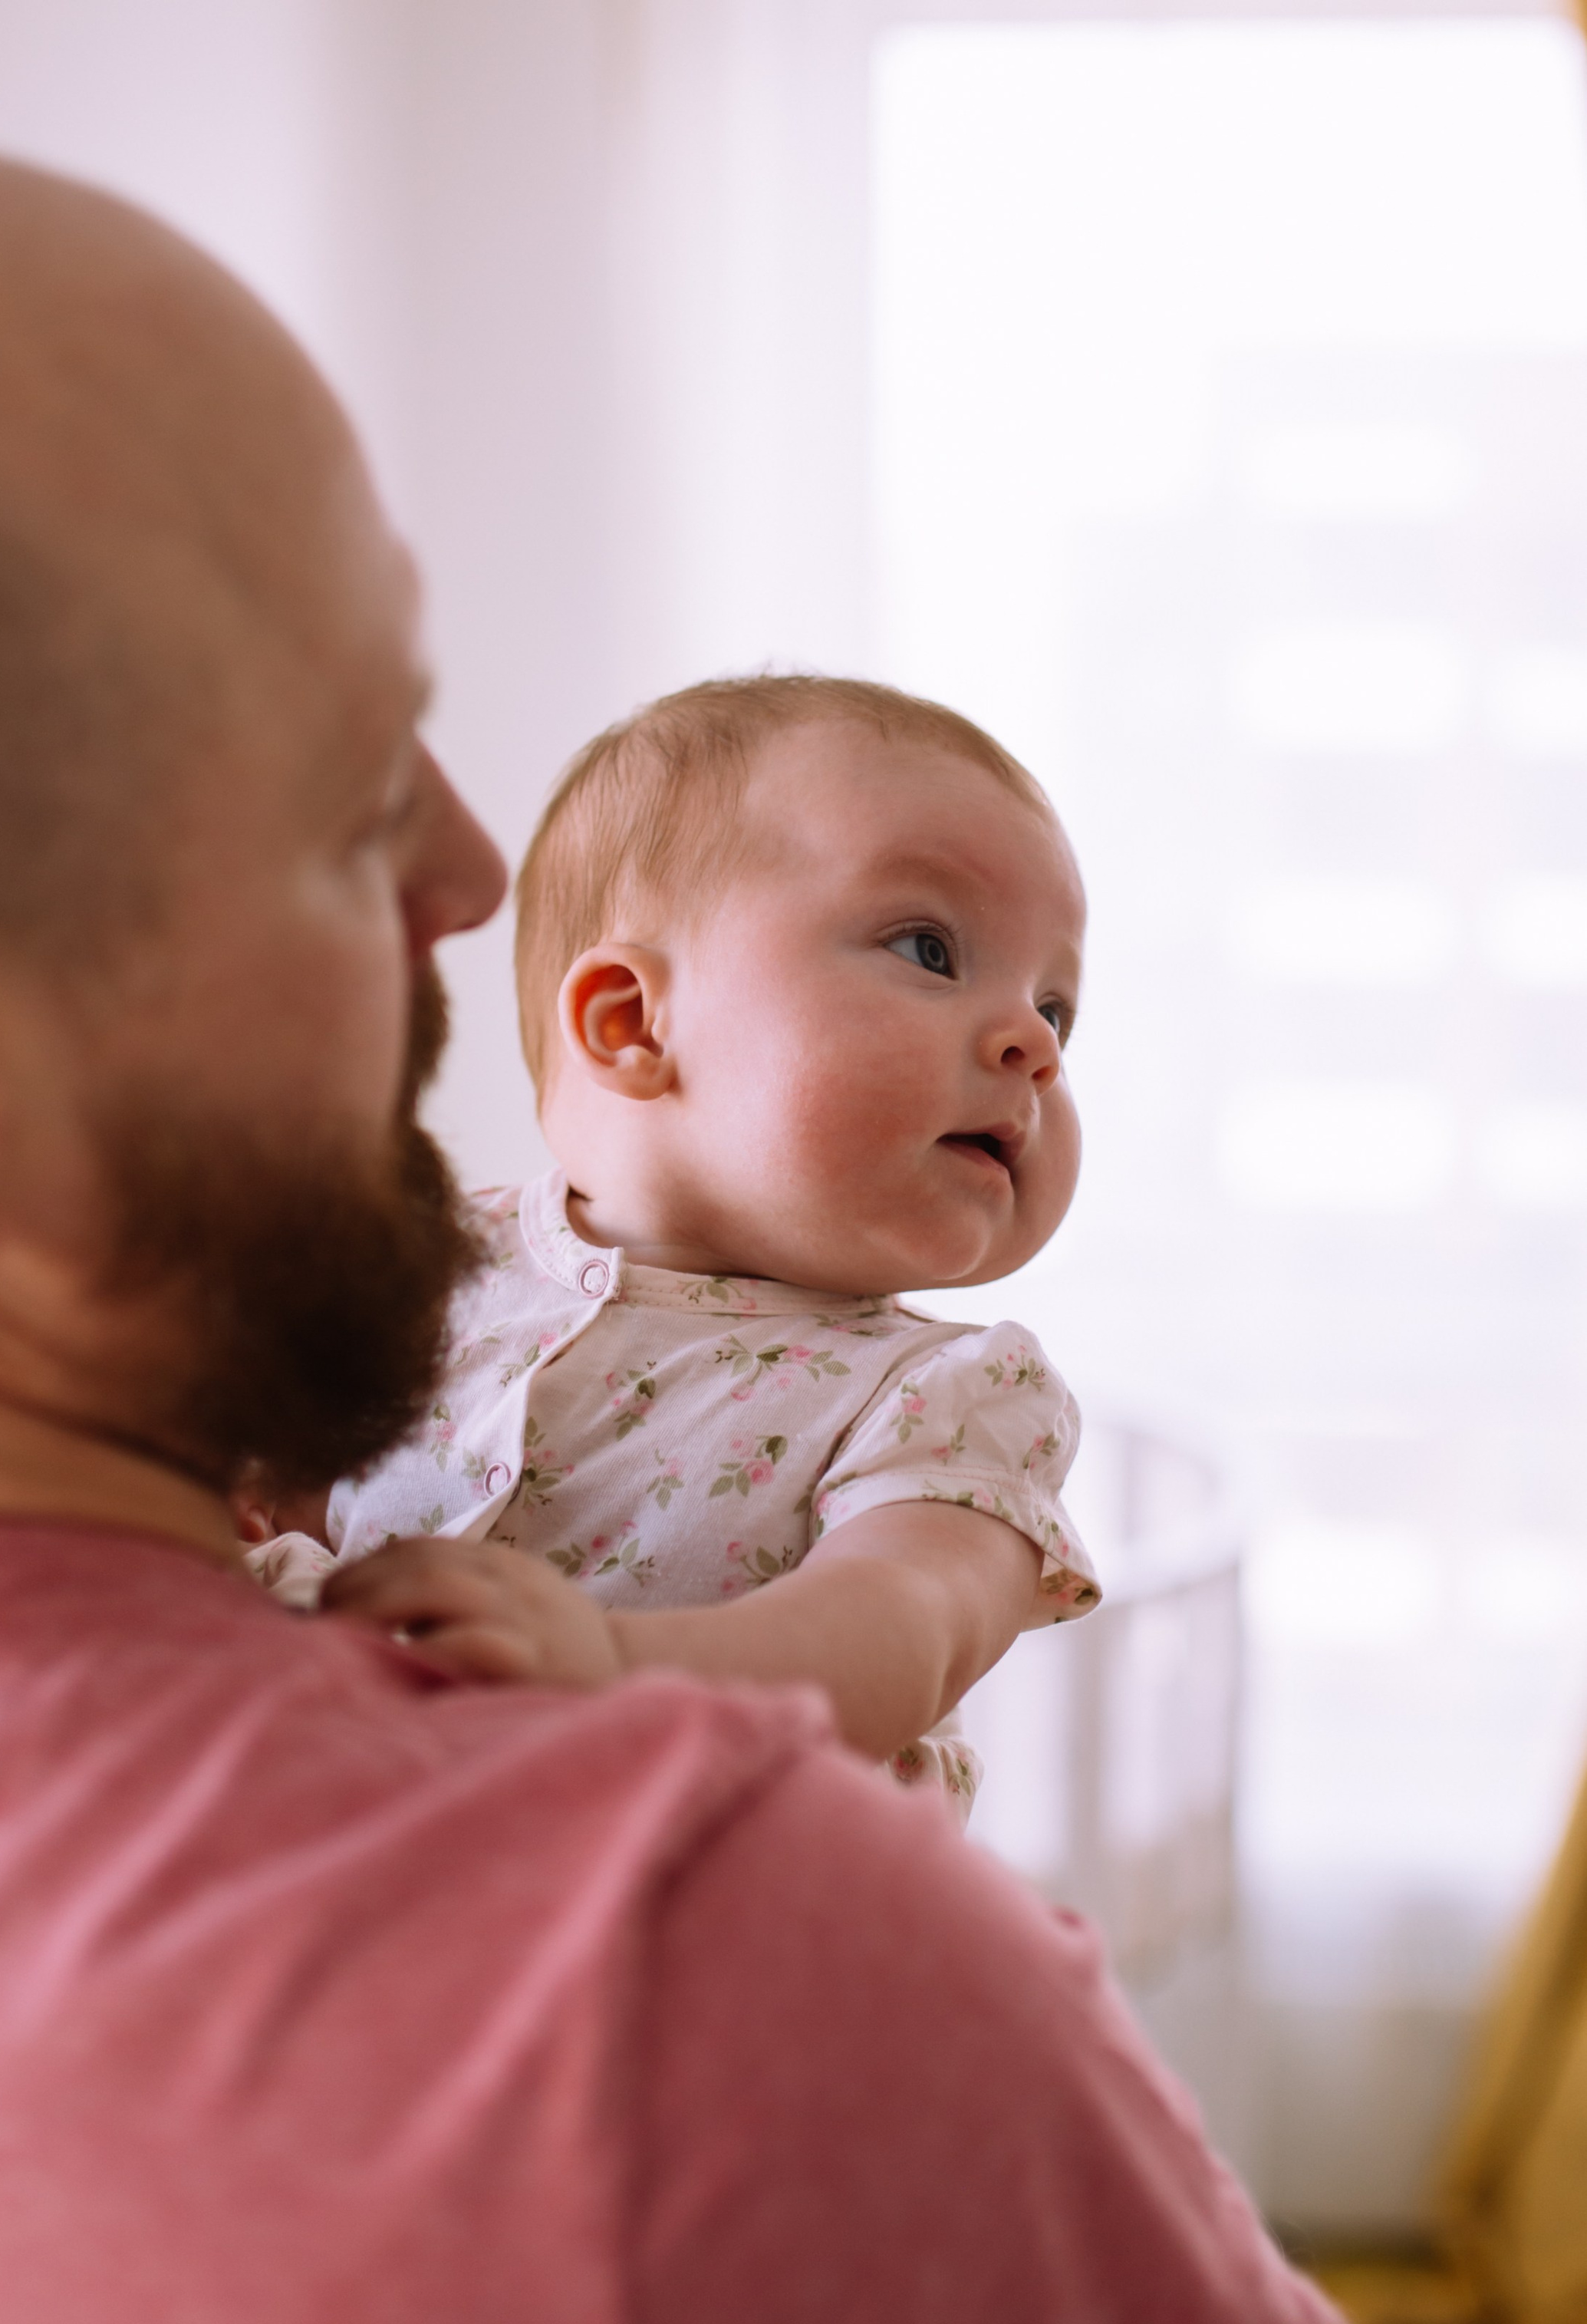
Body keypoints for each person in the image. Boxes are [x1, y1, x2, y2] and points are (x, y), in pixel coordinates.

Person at [0, 130, 1489, 2324]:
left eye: (1056, 1008)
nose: (471, 875)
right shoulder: (723, 1995)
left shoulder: (945, 1413)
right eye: (336, 787)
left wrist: (600, 1646)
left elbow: (906, 1601)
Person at [275, 675, 1098, 1808]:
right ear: (633, 1025)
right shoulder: (417, 1268)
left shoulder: (952, 1397)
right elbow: (289, 1497)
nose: (1032, 1045)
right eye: (930, 948)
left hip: (727, 1926)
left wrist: (614, 1670)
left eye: (1056, 1010)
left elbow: (904, 1630)